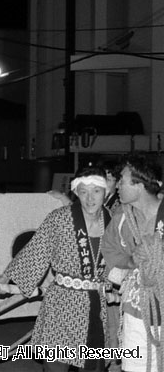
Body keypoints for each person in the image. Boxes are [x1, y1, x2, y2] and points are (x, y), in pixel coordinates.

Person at [0, 166, 113, 372]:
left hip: (95, 304)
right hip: (62, 303)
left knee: (93, 367)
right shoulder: (60, 218)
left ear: (106, 192)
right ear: (75, 193)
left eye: (96, 191)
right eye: (83, 192)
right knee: (56, 366)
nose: (90, 198)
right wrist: (5, 279)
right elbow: (36, 250)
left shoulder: (112, 221)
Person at [101, 156, 164, 372]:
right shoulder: (121, 217)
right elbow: (108, 252)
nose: (117, 185)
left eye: (123, 180)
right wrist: (130, 262)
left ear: (140, 184)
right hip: (137, 309)